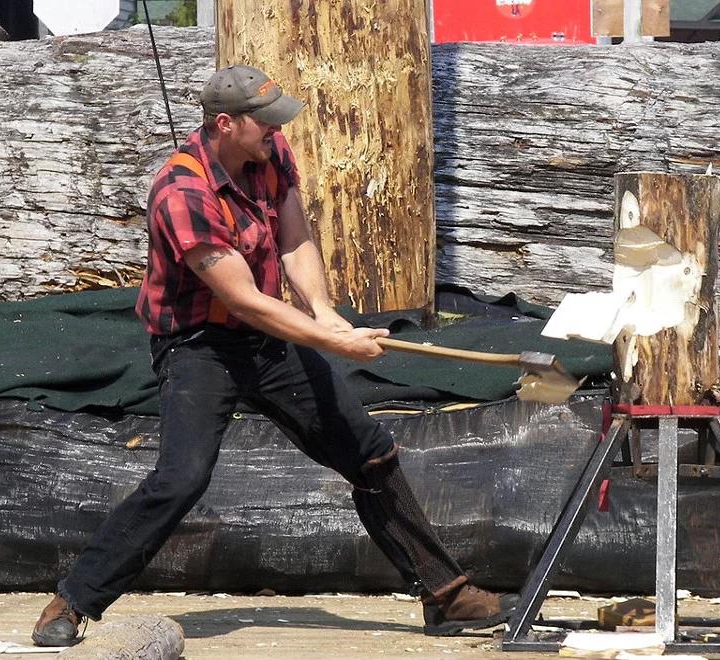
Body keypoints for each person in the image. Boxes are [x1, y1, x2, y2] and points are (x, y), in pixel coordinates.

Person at [31, 65, 514, 646]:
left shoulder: (270, 150)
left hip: (265, 340)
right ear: (226, 124)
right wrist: (335, 341)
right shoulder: (182, 194)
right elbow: (246, 301)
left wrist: (323, 307)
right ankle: (73, 600)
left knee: (370, 454)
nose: (276, 130)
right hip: (198, 346)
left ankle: (444, 595)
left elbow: (295, 237)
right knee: (181, 479)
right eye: (264, 122)